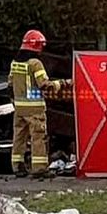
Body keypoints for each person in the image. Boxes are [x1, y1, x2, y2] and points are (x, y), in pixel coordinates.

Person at [9, 29, 71, 179]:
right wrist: (64, 83)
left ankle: (17, 166)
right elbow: (44, 85)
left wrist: (15, 103)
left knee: (19, 137)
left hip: (19, 108)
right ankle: (39, 169)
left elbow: (10, 85)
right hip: (34, 108)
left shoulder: (15, 63)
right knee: (38, 137)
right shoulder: (35, 63)